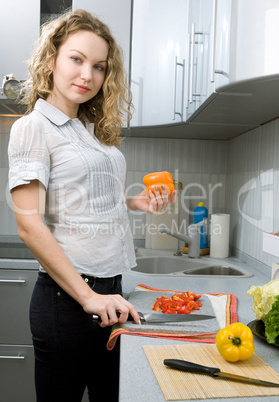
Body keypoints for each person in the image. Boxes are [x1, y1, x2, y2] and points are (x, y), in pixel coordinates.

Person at [8, 9, 175, 402]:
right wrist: (88, 298)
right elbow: (29, 225)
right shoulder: (34, 127)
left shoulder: (88, 131)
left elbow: (84, 199)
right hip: (70, 301)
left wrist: (134, 203)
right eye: (76, 59)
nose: (88, 75)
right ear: (51, 60)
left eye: (98, 66)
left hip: (110, 295)